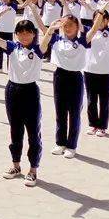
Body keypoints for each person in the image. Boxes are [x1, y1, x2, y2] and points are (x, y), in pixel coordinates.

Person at [0, 8, 48, 185]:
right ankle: (16, 165)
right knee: (15, 130)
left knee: (33, 132)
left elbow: (47, 36)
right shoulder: (12, 47)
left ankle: (33, 169)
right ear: (16, 35)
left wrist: (49, 28)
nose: (24, 36)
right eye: (20, 33)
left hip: (30, 92)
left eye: (28, 33)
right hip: (12, 90)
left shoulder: (38, 49)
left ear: (34, 35)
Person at [45, 15, 88, 155]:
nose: (67, 28)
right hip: (59, 76)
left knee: (74, 112)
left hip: (75, 77)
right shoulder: (57, 39)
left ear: (77, 26)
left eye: (70, 25)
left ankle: (71, 146)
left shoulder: (82, 40)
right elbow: (42, 28)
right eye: (64, 25)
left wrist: (99, 14)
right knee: (60, 111)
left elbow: (93, 30)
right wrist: (34, 10)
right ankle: (60, 143)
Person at [83, 11, 109, 141]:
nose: (99, 21)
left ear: (107, 20)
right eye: (96, 19)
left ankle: (102, 126)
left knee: (104, 100)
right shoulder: (88, 31)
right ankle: (93, 124)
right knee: (91, 99)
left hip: (106, 71)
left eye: (102, 19)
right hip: (90, 69)